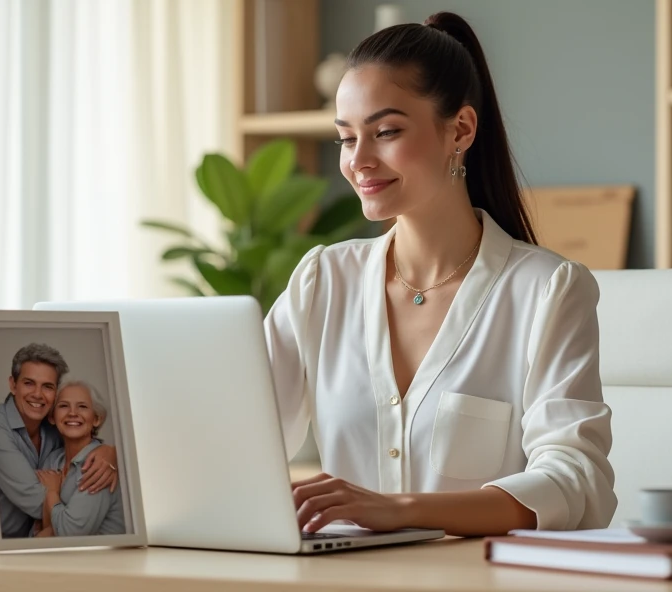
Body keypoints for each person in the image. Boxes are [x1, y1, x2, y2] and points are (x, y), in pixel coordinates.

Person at [264, 11, 616, 537]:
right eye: (345, 138)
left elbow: (576, 482)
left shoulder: (546, 290)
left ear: (461, 130)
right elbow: (240, 438)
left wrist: (401, 510)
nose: (359, 160)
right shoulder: (322, 281)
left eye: (385, 131)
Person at [0, 343, 118, 538]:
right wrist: (62, 513)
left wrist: (113, 452)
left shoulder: (59, 431)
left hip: (58, 549)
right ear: (13, 385)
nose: (38, 394)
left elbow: (67, 526)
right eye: (29, 383)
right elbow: (35, 500)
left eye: (47, 386)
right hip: (6, 542)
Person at [34, 380, 125, 536]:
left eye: (82, 406)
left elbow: (69, 534)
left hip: (101, 559)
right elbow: (39, 525)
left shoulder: (99, 466)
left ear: (96, 419)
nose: (72, 413)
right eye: (63, 406)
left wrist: (52, 492)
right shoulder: (52, 459)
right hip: (62, 558)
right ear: (52, 417)